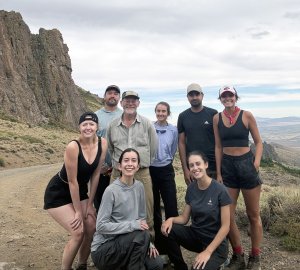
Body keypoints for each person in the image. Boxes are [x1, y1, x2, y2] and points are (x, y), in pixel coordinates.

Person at [44, 112, 107, 270]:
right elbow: (72, 182)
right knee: (78, 231)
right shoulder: (73, 146)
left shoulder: (102, 143)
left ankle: (82, 264)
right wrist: (78, 211)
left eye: (91, 124)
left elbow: (95, 176)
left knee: (91, 225)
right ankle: (65, 268)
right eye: (84, 124)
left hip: (80, 192)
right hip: (59, 191)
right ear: (79, 127)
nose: (88, 127)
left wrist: (90, 204)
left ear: (97, 127)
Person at [213, 86, 263, 270]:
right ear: (220, 99)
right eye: (224, 96)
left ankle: (255, 257)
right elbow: (218, 147)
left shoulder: (246, 115)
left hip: (246, 164)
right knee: (228, 215)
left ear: (235, 97)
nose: (227, 98)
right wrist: (218, 173)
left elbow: (258, 142)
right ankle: (238, 255)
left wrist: (256, 162)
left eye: (230, 95)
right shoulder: (217, 118)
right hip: (227, 167)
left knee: (253, 214)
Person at [91, 148, 163, 270]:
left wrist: (148, 243)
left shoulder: (139, 187)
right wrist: (133, 226)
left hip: (130, 243)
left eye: (133, 160)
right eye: (126, 160)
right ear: (120, 166)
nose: (130, 164)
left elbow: (141, 221)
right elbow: (101, 226)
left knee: (156, 265)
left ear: (138, 166)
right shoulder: (111, 191)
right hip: (104, 250)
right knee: (142, 236)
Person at [161, 151, 231, 270]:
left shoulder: (220, 190)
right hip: (197, 237)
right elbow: (184, 218)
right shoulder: (191, 189)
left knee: (197, 268)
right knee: (169, 229)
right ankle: (180, 267)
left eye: (198, 164)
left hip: (216, 245)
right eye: (191, 165)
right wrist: (170, 220)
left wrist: (208, 252)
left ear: (206, 165)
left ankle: (219, 262)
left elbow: (226, 227)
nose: (195, 168)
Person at [106, 90, 158, 239]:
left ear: (138, 103)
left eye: (133, 100)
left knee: (147, 210)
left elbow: (153, 148)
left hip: (142, 173)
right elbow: (110, 148)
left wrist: (141, 164)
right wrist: (119, 165)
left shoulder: (147, 124)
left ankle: (149, 245)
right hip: (118, 173)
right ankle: (116, 245)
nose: (130, 103)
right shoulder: (112, 125)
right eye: (127, 100)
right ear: (121, 103)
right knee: (115, 208)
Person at [149, 101, 178, 256]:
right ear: (155, 112)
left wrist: (166, 160)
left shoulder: (173, 130)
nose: (161, 113)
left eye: (164, 111)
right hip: (151, 170)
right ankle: (160, 247)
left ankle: (173, 245)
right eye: (158, 111)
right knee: (154, 209)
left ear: (168, 113)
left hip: (166, 170)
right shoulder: (150, 127)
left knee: (171, 206)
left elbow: (173, 149)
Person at [177, 83, 218, 185]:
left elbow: (219, 142)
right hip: (193, 168)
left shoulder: (213, 114)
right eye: (191, 95)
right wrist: (185, 169)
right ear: (187, 97)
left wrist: (220, 170)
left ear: (202, 95)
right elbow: (181, 143)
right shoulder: (183, 116)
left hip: (212, 166)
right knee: (196, 199)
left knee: (214, 199)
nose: (194, 97)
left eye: (197, 94)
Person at [94, 85, 122, 212]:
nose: (112, 95)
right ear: (104, 97)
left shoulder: (124, 115)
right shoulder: (95, 116)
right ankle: (100, 230)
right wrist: (97, 165)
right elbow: (90, 142)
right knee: (100, 202)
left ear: (119, 98)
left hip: (120, 169)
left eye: (116, 93)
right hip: (100, 169)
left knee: (118, 202)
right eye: (109, 93)